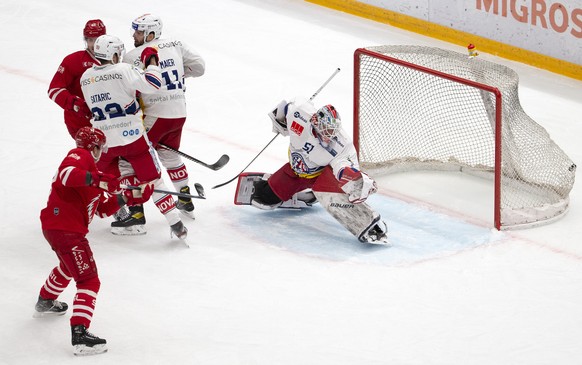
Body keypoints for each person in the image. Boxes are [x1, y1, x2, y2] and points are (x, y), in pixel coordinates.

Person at [34, 127, 153, 356]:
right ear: (94, 146)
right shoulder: (80, 156)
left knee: (68, 267)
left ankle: (45, 301)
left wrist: (130, 196)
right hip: (66, 229)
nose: (102, 152)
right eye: (101, 147)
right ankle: (80, 335)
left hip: (57, 228)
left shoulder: (90, 171)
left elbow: (101, 210)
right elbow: (66, 175)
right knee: (89, 280)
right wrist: (99, 179)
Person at [236, 98, 388, 244]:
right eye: (325, 131)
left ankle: (366, 223)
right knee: (265, 198)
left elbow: (343, 167)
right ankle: (290, 192)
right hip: (295, 172)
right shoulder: (299, 114)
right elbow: (285, 108)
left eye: (332, 132)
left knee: (332, 191)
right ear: (315, 122)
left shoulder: (342, 145)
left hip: (318, 176)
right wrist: (279, 120)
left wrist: (354, 179)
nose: (329, 137)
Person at [80, 34, 188, 239]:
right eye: (117, 53)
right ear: (112, 54)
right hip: (133, 139)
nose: (119, 56)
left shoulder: (85, 77)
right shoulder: (123, 69)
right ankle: (176, 224)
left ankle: (133, 214)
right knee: (153, 180)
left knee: (118, 177)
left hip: (105, 143)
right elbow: (154, 83)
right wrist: (152, 61)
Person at [122, 13, 205, 221]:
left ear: (151, 33)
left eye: (139, 32)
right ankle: (184, 197)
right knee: (169, 154)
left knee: (131, 158)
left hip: (156, 115)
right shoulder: (176, 43)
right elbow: (200, 67)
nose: (135, 35)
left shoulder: (132, 56)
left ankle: (136, 210)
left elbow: (129, 88)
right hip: (179, 113)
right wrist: (178, 73)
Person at [47, 19, 106, 139]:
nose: (94, 45)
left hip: (109, 120)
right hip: (80, 122)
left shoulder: (113, 58)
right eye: (90, 40)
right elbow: (54, 89)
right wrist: (75, 104)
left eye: (97, 40)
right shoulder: (73, 60)